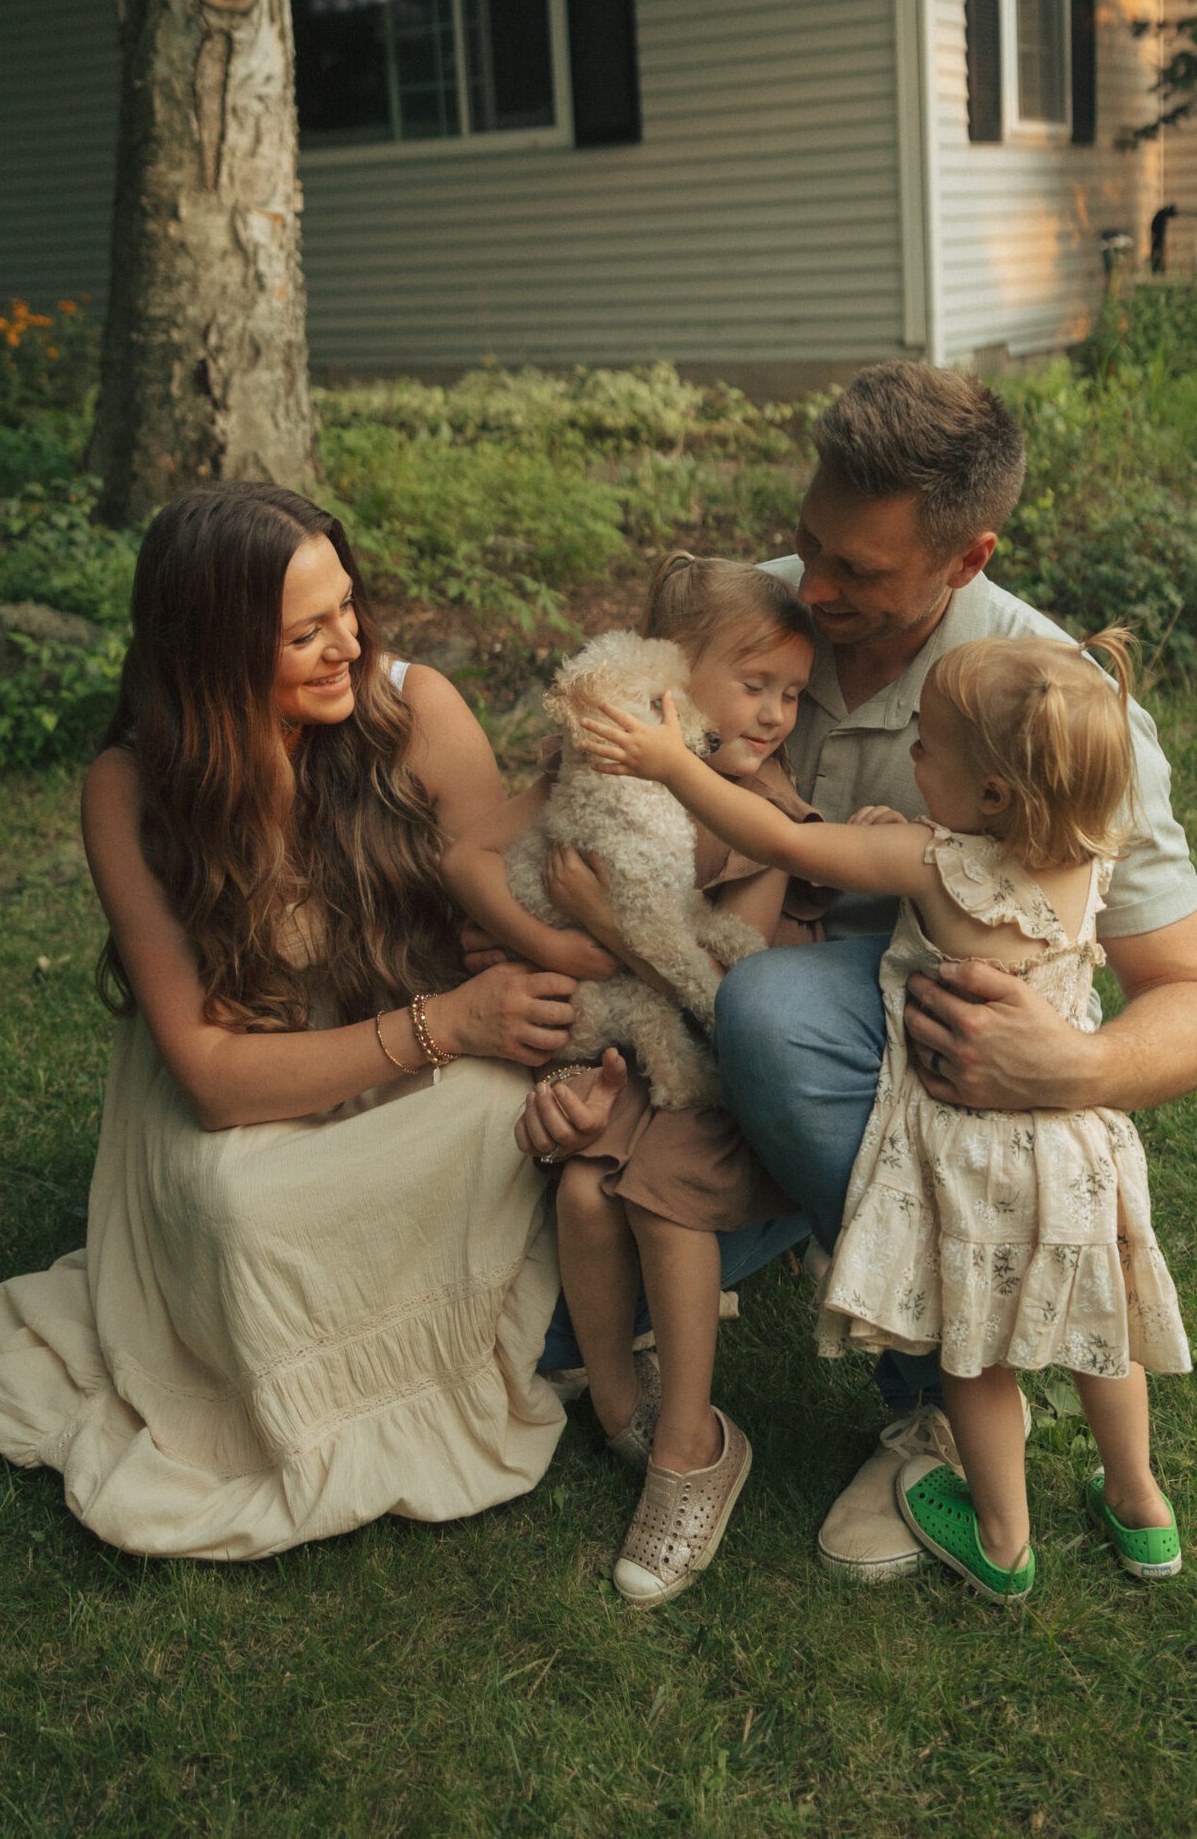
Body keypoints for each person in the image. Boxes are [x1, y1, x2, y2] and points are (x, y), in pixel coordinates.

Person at [520, 359, 1197, 1586]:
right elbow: (576, 794)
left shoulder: (1042, 705)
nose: (821, 585)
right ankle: (783, 1240)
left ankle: (942, 1398)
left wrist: (1074, 1061)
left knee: (770, 1009)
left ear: (967, 559)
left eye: (861, 571)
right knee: (538, 1330)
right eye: (811, 543)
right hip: (716, 1004)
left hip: (899, 1049)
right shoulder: (764, 619)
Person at [0, 482, 584, 1561]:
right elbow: (208, 1072)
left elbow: (509, 913)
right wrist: (447, 1023)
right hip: (256, 1078)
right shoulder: (130, 790)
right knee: (232, 1208)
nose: (348, 641)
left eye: (347, 606)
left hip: (429, 1062)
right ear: (211, 652)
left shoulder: (415, 712)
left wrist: (491, 978)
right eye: (306, 631)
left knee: (503, 1111)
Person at [580, 624, 1192, 1605]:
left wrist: (666, 762)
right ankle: (1142, 1507)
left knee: (975, 1352)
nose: (911, 761)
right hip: (1077, 1147)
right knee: (1101, 1327)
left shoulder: (928, 863)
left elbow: (777, 837)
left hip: (972, 1156)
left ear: (990, 797)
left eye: (927, 752)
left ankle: (1001, 1541)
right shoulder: (1087, 853)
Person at [444, 554, 820, 1607]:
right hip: (635, 1048)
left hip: (723, 1066)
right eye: (755, 685)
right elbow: (470, 858)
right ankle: (619, 1411)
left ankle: (690, 1449)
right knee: (578, 1193)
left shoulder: (759, 813)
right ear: (668, 677)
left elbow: (728, 1003)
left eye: (793, 694)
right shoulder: (597, 765)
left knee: (653, 1203)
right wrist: (550, 949)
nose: (777, 714)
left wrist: (605, 934)